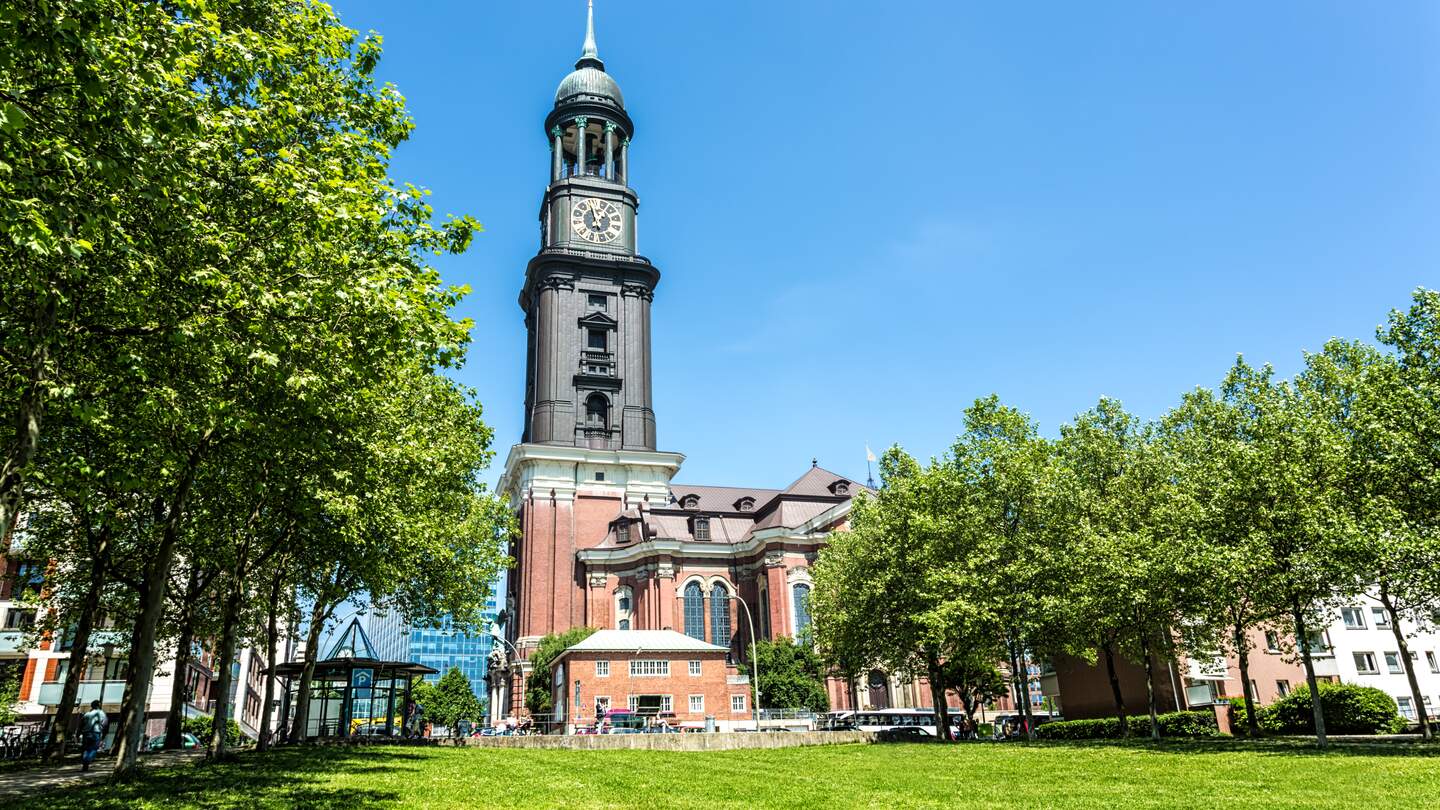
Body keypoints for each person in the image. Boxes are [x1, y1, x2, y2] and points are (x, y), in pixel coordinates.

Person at [80, 700, 107, 772]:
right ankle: (87, 760)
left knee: (86, 749)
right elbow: (104, 723)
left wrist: (79, 733)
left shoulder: (87, 714)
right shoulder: (101, 713)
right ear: (98, 705)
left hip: (86, 733)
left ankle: (85, 765)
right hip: (96, 732)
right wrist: (103, 732)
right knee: (94, 748)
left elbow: (81, 724)